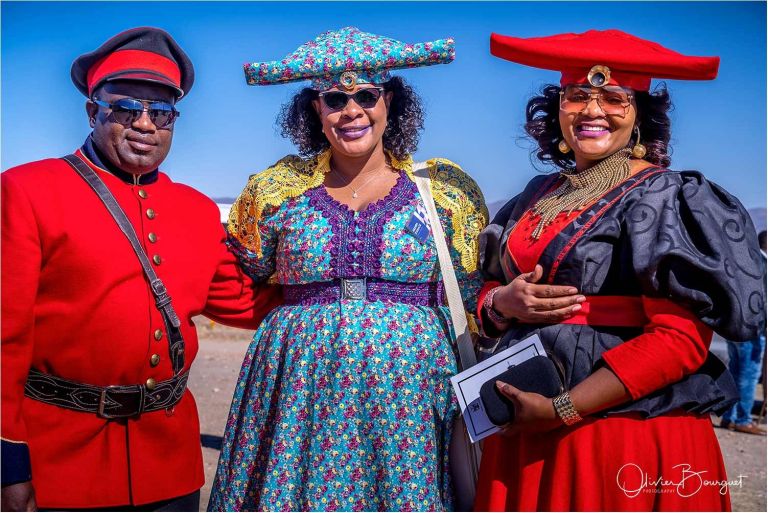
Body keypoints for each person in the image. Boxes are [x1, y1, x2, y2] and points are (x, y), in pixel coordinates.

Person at [473, 29, 765, 511]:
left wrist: (561, 410)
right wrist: (501, 303)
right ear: (557, 108)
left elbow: (679, 341)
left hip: (619, 430)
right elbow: (488, 286)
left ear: (640, 115)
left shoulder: (667, 197)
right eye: (577, 96)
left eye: (613, 98)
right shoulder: (535, 195)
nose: (592, 111)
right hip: (529, 419)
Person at [1, 27, 281, 511]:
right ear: (92, 112)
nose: (146, 124)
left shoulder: (196, 210)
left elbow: (242, 302)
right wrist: (8, 462)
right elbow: (4, 337)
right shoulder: (27, 191)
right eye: (126, 108)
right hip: (60, 465)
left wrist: (351, 287)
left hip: (168, 465)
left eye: (162, 112)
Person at [208, 27, 488, 511]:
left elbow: (471, 296)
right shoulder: (276, 191)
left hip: (410, 401)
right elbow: (239, 276)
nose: (351, 111)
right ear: (315, 109)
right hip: (298, 396)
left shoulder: (445, 191)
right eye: (335, 99)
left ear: (389, 101)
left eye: (366, 96)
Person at [720, 229, 767, 435]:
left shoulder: (746, 260)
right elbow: (762, 300)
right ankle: (743, 419)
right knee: (749, 374)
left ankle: (729, 417)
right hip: (752, 328)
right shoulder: (762, 265)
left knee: (735, 371)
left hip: (735, 326)